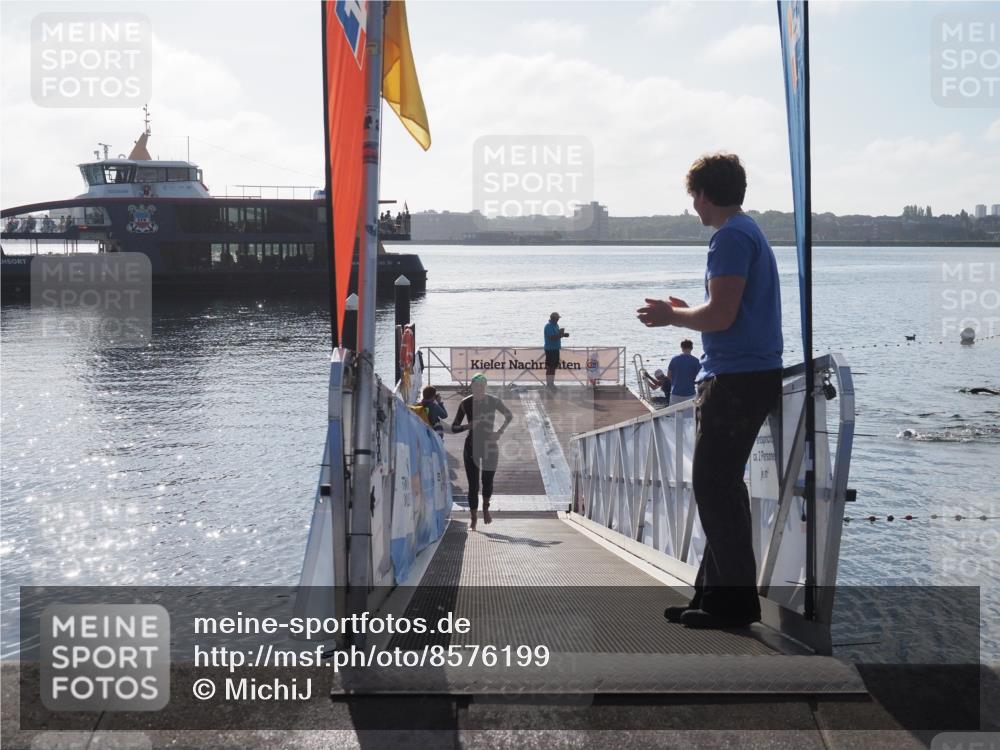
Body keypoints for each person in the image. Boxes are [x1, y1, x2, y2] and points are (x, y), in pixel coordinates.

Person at [637, 153, 782, 630]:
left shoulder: (730, 237)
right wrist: (688, 311)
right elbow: (728, 311)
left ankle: (734, 605)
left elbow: (721, 316)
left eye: (693, 197)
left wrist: (671, 317)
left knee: (714, 486)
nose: (693, 206)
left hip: (737, 379)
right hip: (747, 374)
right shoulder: (745, 231)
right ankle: (712, 597)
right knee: (720, 487)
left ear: (703, 194)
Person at [451, 373, 513, 530]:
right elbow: (454, 427)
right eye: (476, 386)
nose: (478, 389)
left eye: (481, 386)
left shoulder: (493, 401)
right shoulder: (465, 403)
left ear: (485, 387)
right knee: (473, 485)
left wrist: (499, 432)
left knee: (487, 481)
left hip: (489, 445)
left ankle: (485, 508)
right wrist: (467, 426)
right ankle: (473, 518)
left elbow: (509, 415)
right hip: (472, 446)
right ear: (472, 386)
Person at [667, 340, 701, 406]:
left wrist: (675, 382)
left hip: (676, 392)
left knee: (674, 411)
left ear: (682, 348)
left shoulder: (674, 359)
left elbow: (669, 375)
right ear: (692, 348)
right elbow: (700, 378)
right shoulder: (696, 361)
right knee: (690, 412)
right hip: (690, 392)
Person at [543, 312, 569, 391]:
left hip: (556, 348)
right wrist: (560, 335)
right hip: (550, 349)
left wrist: (563, 335)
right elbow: (552, 338)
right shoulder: (548, 326)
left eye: (558, 318)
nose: (558, 320)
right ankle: (548, 384)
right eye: (557, 318)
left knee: (553, 367)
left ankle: (552, 384)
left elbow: (557, 335)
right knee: (550, 367)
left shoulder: (556, 325)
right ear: (553, 318)